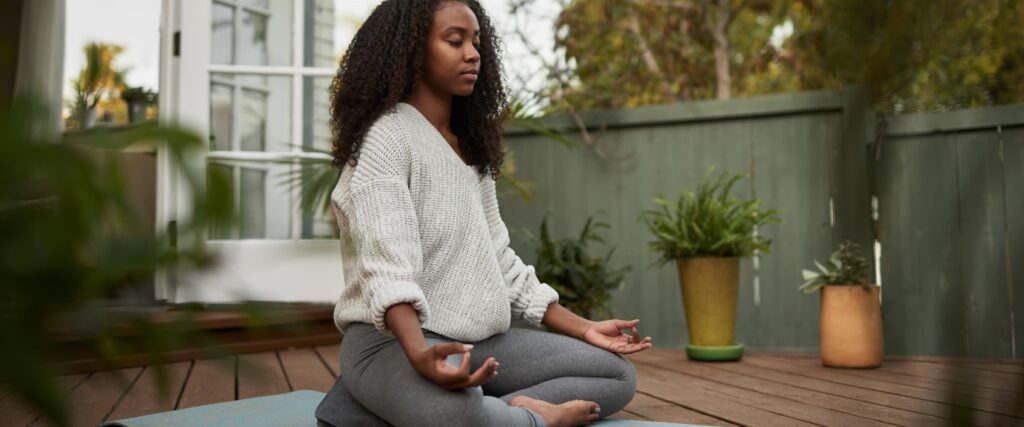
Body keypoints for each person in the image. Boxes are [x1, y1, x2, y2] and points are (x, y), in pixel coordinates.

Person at [315, 1, 652, 426]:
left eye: (476, 42)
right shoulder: (386, 138)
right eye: (455, 41)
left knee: (614, 373)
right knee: (454, 412)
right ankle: (531, 418)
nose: (473, 53)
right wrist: (420, 356)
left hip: (479, 341)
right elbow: (387, 272)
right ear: (412, 51)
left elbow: (501, 261)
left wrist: (585, 328)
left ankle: (464, 408)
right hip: (391, 344)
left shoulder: (469, 149)